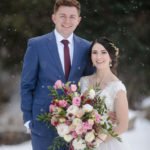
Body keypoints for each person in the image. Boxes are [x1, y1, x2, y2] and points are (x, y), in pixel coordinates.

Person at [20, 0, 94, 150]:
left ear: (78, 20)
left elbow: (92, 84)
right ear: (54, 17)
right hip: (42, 122)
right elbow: (27, 84)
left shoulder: (87, 47)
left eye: (72, 17)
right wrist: (28, 118)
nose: (67, 21)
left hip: (77, 126)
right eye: (63, 16)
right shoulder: (36, 45)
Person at [79, 37, 131, 150]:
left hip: (108, 143)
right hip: (82, 142)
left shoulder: (117, 87)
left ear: (111, 57)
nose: (98, 57)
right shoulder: (82, 81)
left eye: (103, 52)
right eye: (95, 53)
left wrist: (97, 141)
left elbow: (123, 126)